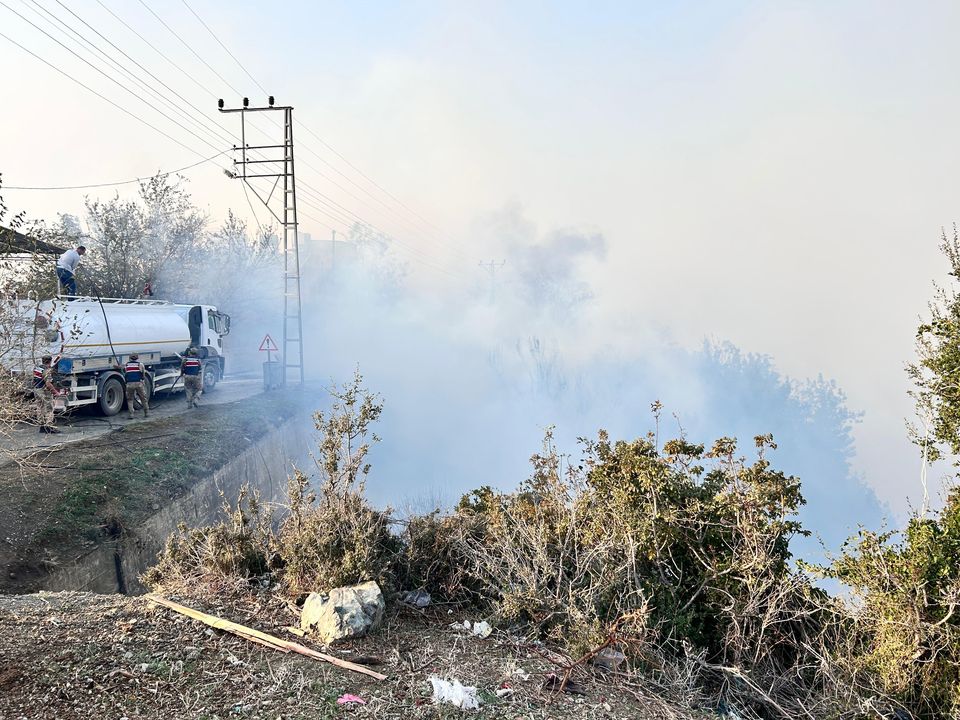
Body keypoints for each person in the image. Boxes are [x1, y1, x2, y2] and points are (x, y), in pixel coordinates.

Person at [33, 355, 60, 434]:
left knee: (40, 408)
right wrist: (55, 392)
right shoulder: (46, 370)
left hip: (36, 389)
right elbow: (48, 383)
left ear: (42, 360)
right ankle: (49, 427)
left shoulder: (37, 368)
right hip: (44, 391)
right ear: (50, 361)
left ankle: (42, 427)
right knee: (49, 408)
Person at [123, 353, 149, 419]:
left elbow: (126, 373)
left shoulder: (126, 365)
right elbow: (143, 374)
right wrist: (142, 380)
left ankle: (131, 414)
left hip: (129, 384)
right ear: (137, 358)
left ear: (130, 358)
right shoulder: (140, 364)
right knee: (143, 398)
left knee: (130, 399)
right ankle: (146, 412)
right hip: (139, 383)